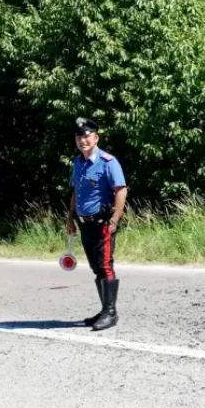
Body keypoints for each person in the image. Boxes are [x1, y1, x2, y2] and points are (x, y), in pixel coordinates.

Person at [66, 117, 127, 331]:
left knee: (105, 266)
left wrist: (114, 220)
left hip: (102, 224)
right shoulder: (78, 163)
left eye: (86, 136)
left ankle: (111, 313)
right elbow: (76, 192)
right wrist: (70, 218)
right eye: (79, 136)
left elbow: (121, 190)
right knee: (95, 267)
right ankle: (104, 309)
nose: (82, 140)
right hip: (84, 224)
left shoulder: (108, 162)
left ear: (96, 137)